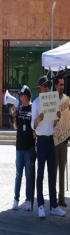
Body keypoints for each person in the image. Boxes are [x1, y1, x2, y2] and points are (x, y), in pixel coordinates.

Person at [31, 75, 65, 218]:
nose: (47, 88)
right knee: (40, 175)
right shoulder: (36, 103)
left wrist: (57, 117)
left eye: (48, 85)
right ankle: (40, 205)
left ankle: (54, 206)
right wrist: (38, 120)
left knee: (52, 174)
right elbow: (33, 125)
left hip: (51, 140)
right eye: (45, 86)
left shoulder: (53, 101)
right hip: (42, 142)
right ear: (40, 88)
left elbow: (54, 124)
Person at [11, 85, 35, 211]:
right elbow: (16, 127)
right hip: (19, 148)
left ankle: (28, 200)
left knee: (28, 175)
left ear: (27, 96)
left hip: (29, 147)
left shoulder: (32, 109)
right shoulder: (19, 109)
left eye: (21, 95)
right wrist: (13, 116)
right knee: (18, 174)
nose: (20, 97)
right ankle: (16, 199)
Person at [54, 76, 68, 207]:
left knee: (62, 170)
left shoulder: (66, 100)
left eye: (63, 85)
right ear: (55, 86)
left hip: (63, 140)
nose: (62, 87)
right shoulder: (51, 101)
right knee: (54, 169)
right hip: (53, 140)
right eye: (60, 85)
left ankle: (61, 197)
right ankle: (53, 197)